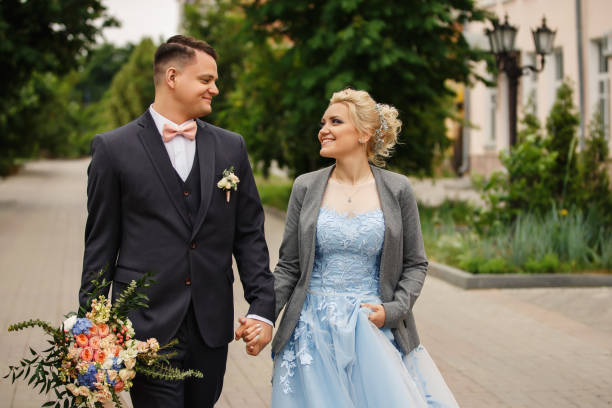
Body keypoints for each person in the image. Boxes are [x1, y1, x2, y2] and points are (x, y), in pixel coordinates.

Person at [79, 35, 275, 408]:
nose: (215, 89)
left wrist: (262, 307)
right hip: (145, 324)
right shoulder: (113, 148)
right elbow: (100, 245)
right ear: (172, 76)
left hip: (211, 325)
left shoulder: (231, 146)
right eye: (206, 80)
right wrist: (90, 335)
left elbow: (249, 234)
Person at [255, 88, 459, 406]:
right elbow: (289, 267)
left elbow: (416, 263)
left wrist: (393, 311)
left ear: (363, 133)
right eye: (323, 122)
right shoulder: (305, 187)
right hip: (310, 334)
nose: (324, 129)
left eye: (335, 121)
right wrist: (262, 316)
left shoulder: (398, 189)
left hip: (372, 330)